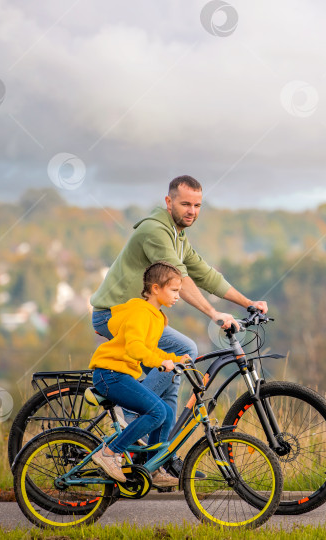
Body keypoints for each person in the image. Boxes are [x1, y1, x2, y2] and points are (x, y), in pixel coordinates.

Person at [89, 175, 268, 476]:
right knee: (185, 349)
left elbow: (206, 275)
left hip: (141, 317)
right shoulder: (155, 232)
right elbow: (180, 279)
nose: (192, 211)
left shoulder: (177, 236)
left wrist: (247, 302)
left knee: (174, 371)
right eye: (185, 203)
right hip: (116, 315)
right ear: (168, 201)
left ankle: (155, 460)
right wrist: (215, 314)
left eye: (198, 205)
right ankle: (135, 411)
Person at [88, 262, 188, 486]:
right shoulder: (141, 313)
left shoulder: (156, 316)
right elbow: (135, 348)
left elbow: (150, 349)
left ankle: (152, 467)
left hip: (121, 375)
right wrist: (160, 362)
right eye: (173, 290)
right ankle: (110, 452)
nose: (177, 296)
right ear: (155, 289)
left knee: (166, 414)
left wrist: (174, 359)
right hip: (110, 374)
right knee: (156, 412)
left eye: (178, 291)